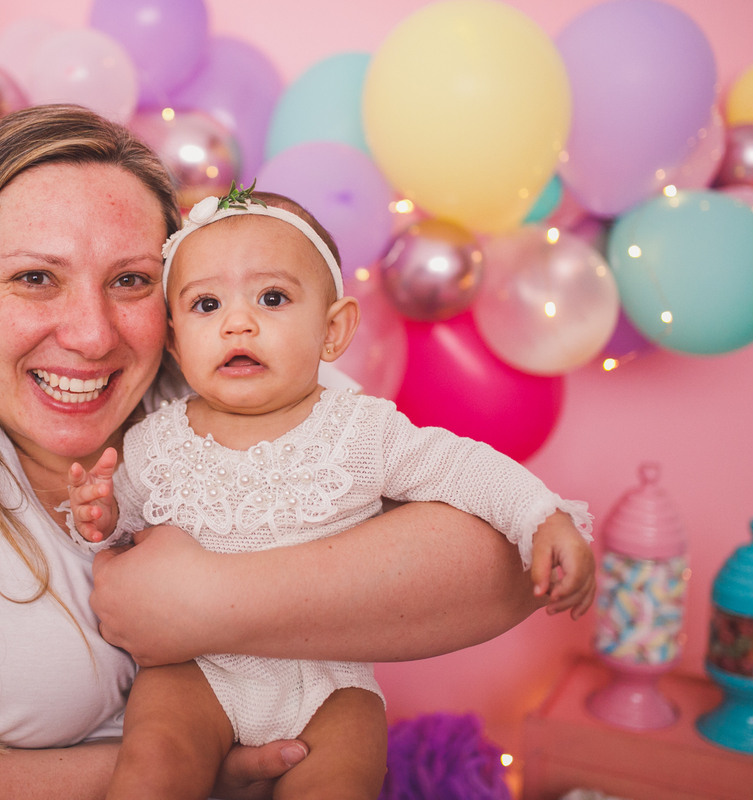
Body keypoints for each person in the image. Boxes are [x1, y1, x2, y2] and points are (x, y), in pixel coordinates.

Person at [0, 105, 589, 800]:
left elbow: (507, 565)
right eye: (35, 278)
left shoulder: (220, 398)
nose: (89, 335)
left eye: (128, 282)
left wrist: (212, 600)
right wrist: (176, 768)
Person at [65, 186, 596, 799]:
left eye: (272, 298)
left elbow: (461, 467)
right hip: (197, 672)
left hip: (327, 680)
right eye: (207, 304)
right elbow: (121, 537)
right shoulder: (153, 442)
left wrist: (540, 516)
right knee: (153, 768)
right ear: (177, 342)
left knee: (343, 778)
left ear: (333, 330)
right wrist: (97, 515)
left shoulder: (358, 430)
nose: (238, 322)